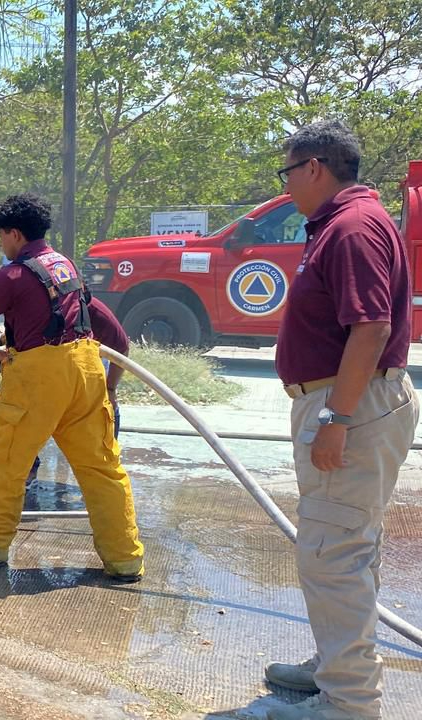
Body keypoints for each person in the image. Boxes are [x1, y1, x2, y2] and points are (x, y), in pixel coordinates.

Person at [263, 120, 418, 720]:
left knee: (332, 550)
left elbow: (371, 327)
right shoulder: (346, 223)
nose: (287, 184)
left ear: (315, 167)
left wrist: (335, 417)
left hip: (351, 406)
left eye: (288, 172)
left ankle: (349, 702)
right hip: (353, 403)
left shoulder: (350, 228)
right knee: (348, 542)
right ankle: (336, 666)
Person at [0, 192, 144, 581]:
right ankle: (125, 559)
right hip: (86, 376)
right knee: (103, 469)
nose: (1, 245)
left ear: (14, 233)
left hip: (39, 385)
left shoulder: (11, 275)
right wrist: (110, 389)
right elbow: (117, 340)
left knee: (3, 463)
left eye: (1, 237)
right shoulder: (66, 268)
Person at [18, 274, 130, 482]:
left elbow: (121, 346)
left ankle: (105, 468)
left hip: (87, 374)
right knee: (23, 415)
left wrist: (111, 388)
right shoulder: (38, 310)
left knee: (104, 416)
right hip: (47, 373)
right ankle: (26, 471)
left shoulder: (94, 311)